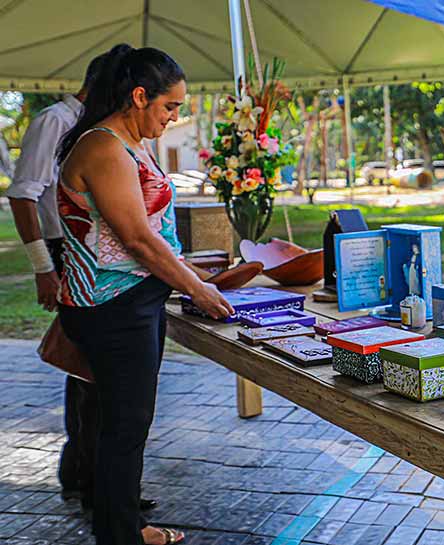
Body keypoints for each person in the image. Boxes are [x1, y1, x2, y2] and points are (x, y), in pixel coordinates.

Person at [56, 43, 234, 545]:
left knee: (120, 422)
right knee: (125, 427)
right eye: (169, 107)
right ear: (138, 96)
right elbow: (135, 239)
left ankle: (121, 520)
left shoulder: (130, 140)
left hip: (132, 301)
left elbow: (150, 229)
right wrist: (194, 286)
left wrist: (186, 270)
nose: (174, 118)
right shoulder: (104, 147)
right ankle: (122, 535)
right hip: (112, 307)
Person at [6, 53, 159, 516]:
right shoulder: (59, 122)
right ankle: (91, 484)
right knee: (89, 375)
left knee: (99, 382)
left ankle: (94, 482)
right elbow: (23, 193)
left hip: (102, 257)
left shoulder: (113, 132)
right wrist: (42, 266)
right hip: (69, 251)